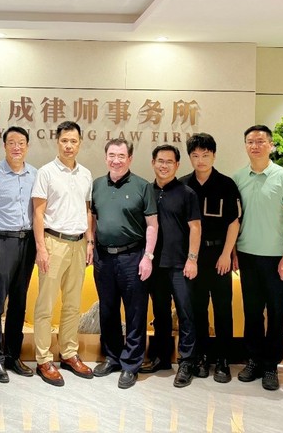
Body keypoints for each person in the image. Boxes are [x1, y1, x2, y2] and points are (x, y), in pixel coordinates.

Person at [232, 124, 283, 391]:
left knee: (275, 312)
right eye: (250, 141)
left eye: (261, 141)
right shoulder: (238, 177)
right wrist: (233, 251)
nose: (255, 146)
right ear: (245, 146)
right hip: (247, 255)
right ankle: (254, 360)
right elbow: (235, 220)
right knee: (251, 311)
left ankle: (271, 365)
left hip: (276, 258)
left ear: (271, 145)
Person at [90, 139, 157, 389]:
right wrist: (90, 244)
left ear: (130, 158)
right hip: (103, 257)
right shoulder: (97, 185)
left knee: (135, 312)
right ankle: (112, 357)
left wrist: (148, 256)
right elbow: (93, 217)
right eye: (111, 155)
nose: (115, 160)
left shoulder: (143, 186)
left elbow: (152, 225)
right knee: (107, 310)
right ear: (105, 157)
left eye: (121, 156)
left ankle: (131, 364)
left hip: (133, 257)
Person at [32, 121, 94, 387]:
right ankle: (43, 358)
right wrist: (41, 247)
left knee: (72, 303)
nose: (69, 146)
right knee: (45, 305)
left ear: (80, 143)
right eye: (64, 141)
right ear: (57, 142)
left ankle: (68, 353)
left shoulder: (86, 174)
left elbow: (87, 210)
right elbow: (38, 213)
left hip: (79, 244)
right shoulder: (46, 172)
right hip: (53, 243)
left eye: (73, 141)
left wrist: (89, 241)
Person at [0, 126, 38, 383]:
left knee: (19, 302)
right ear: (4, 146)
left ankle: (13, 355)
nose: (16, 147)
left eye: (21, 142)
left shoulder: (35, 174)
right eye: (11, 142)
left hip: (28, 243)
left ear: (27, 146)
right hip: (1, 242)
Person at [180, 133, 241, 383]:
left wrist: (227, 254)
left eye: (205, 155)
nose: (201, 160)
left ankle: (223, 360)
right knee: (198, 309)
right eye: (195, 155)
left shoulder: (226, 184)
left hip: (219, 256)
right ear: (190, 158)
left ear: (214, 156)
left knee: (223, 308)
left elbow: (234, 222)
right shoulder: (183, 185)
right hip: (193, 259)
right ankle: (202, 357)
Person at [142, 144, 202, 388]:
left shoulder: (187, 193)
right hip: (155, 264)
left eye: (169, 161)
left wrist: (192, 258)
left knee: (186, 313)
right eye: (160, 161)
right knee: (160, 313)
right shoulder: (147, 191)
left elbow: (195, 227)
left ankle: (186, 362)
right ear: (153, 163)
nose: (164, 165)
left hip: (180, 264)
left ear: (177, 165)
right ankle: (162, 357)